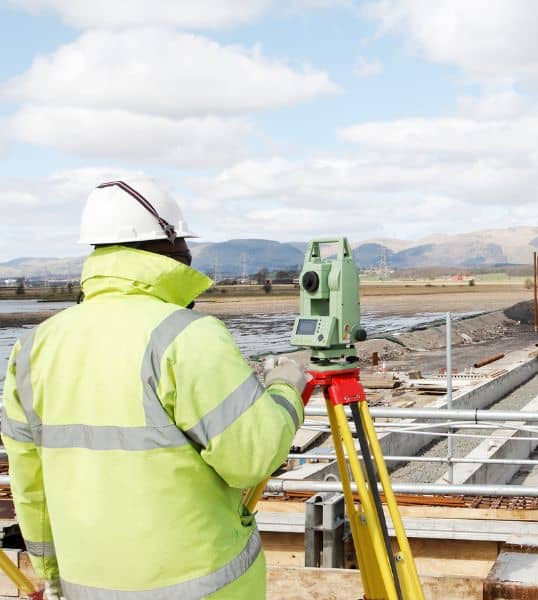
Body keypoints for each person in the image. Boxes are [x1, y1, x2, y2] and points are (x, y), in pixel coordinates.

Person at [1, 179, 308, 599]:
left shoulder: (32, 347)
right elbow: (251, 458)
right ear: (165, 242)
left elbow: (30, 484)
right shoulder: (187, 335)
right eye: (182, 241)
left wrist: (52, 577)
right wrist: (285, 388)